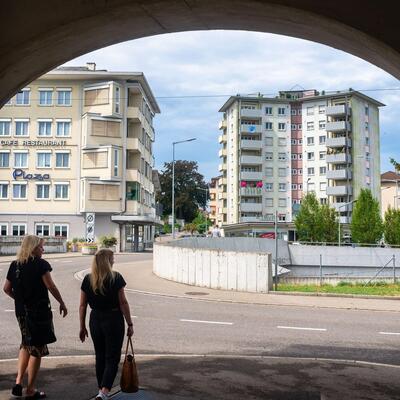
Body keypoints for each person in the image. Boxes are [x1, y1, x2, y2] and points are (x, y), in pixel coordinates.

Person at [3, 235, 68, 399]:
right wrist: (61, 302)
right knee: (37, 349)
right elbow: (50, 286)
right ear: (33, 248)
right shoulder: (41, 265)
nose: (43, 250)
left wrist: (19, 300)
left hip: (21, 312)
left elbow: (6, 288)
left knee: (26, 343)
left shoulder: (15, 265)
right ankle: (30, 389)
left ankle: (18, 383)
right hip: (38, 313)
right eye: (41, 247)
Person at [79, 249, 133, 400]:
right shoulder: (116, 278)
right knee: (112, 357)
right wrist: (130, 323)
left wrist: (82, 326)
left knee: (100, 356)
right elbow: (123, 302)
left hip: (95, 319)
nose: (114, 260)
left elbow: (82, 305)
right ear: (107, 261)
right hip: (113, 319)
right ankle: (104, 392)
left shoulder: (88, 279)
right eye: (113, 258)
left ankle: (100, 390)